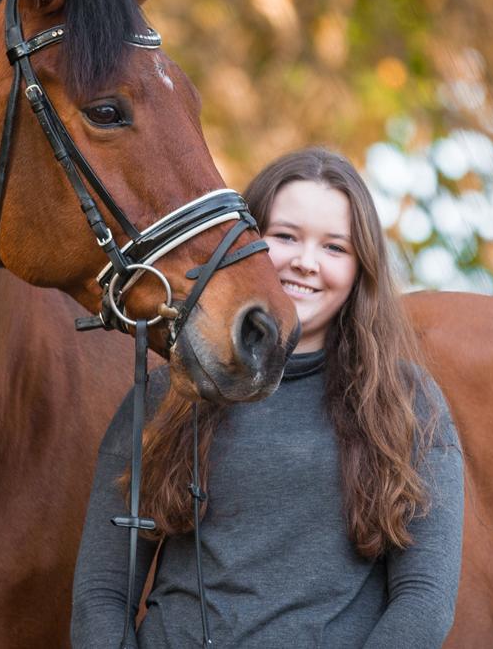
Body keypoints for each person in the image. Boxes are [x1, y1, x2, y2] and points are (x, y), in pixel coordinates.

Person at [71, 148, 463, 647]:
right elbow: (101, 594)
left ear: (361, 267)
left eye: (335, 248)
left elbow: (425, 600)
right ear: (245, 242)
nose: (306, 262)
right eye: (286, 237)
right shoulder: (168, 394)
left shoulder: (407, 404)